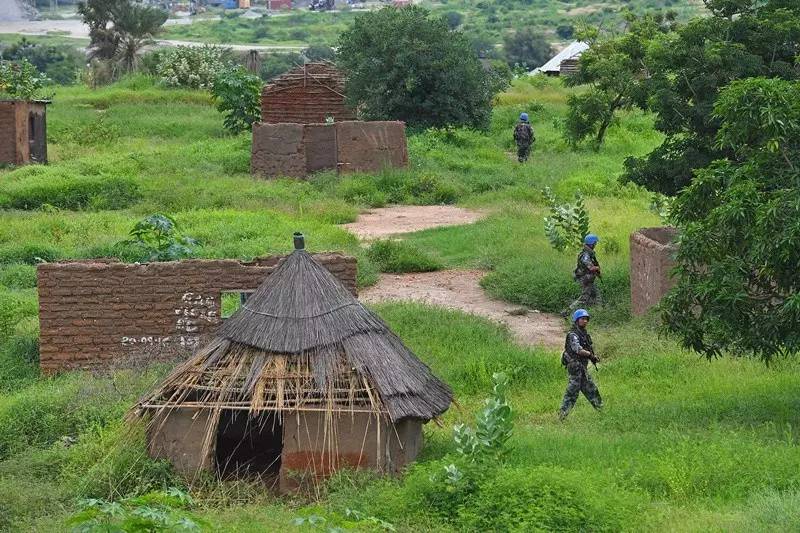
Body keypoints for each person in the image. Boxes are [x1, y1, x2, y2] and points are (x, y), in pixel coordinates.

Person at [559, 309, 602, 420]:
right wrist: (590, 355)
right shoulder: (573, 334)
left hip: (582, 367)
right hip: (575, 366)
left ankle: (601, 410)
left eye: (586, 319)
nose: (585, 321)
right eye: (582, 319)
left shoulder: (584, 334)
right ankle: (562, 415)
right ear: (577, 320)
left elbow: (588, 349)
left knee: (591, 389)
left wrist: (593, 357)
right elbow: (577, 349)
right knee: (572, 392)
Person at [568, 233, 601, 312]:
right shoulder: (586, 255)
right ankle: (567, 312)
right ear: (591, 244)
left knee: (596, 296)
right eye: (595, 243)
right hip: (585, 279)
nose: (595, 244)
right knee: (584, 299)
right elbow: (591, 267)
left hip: (588, 279)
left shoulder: (589, 253)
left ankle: (598, 313)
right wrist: (597, 268)